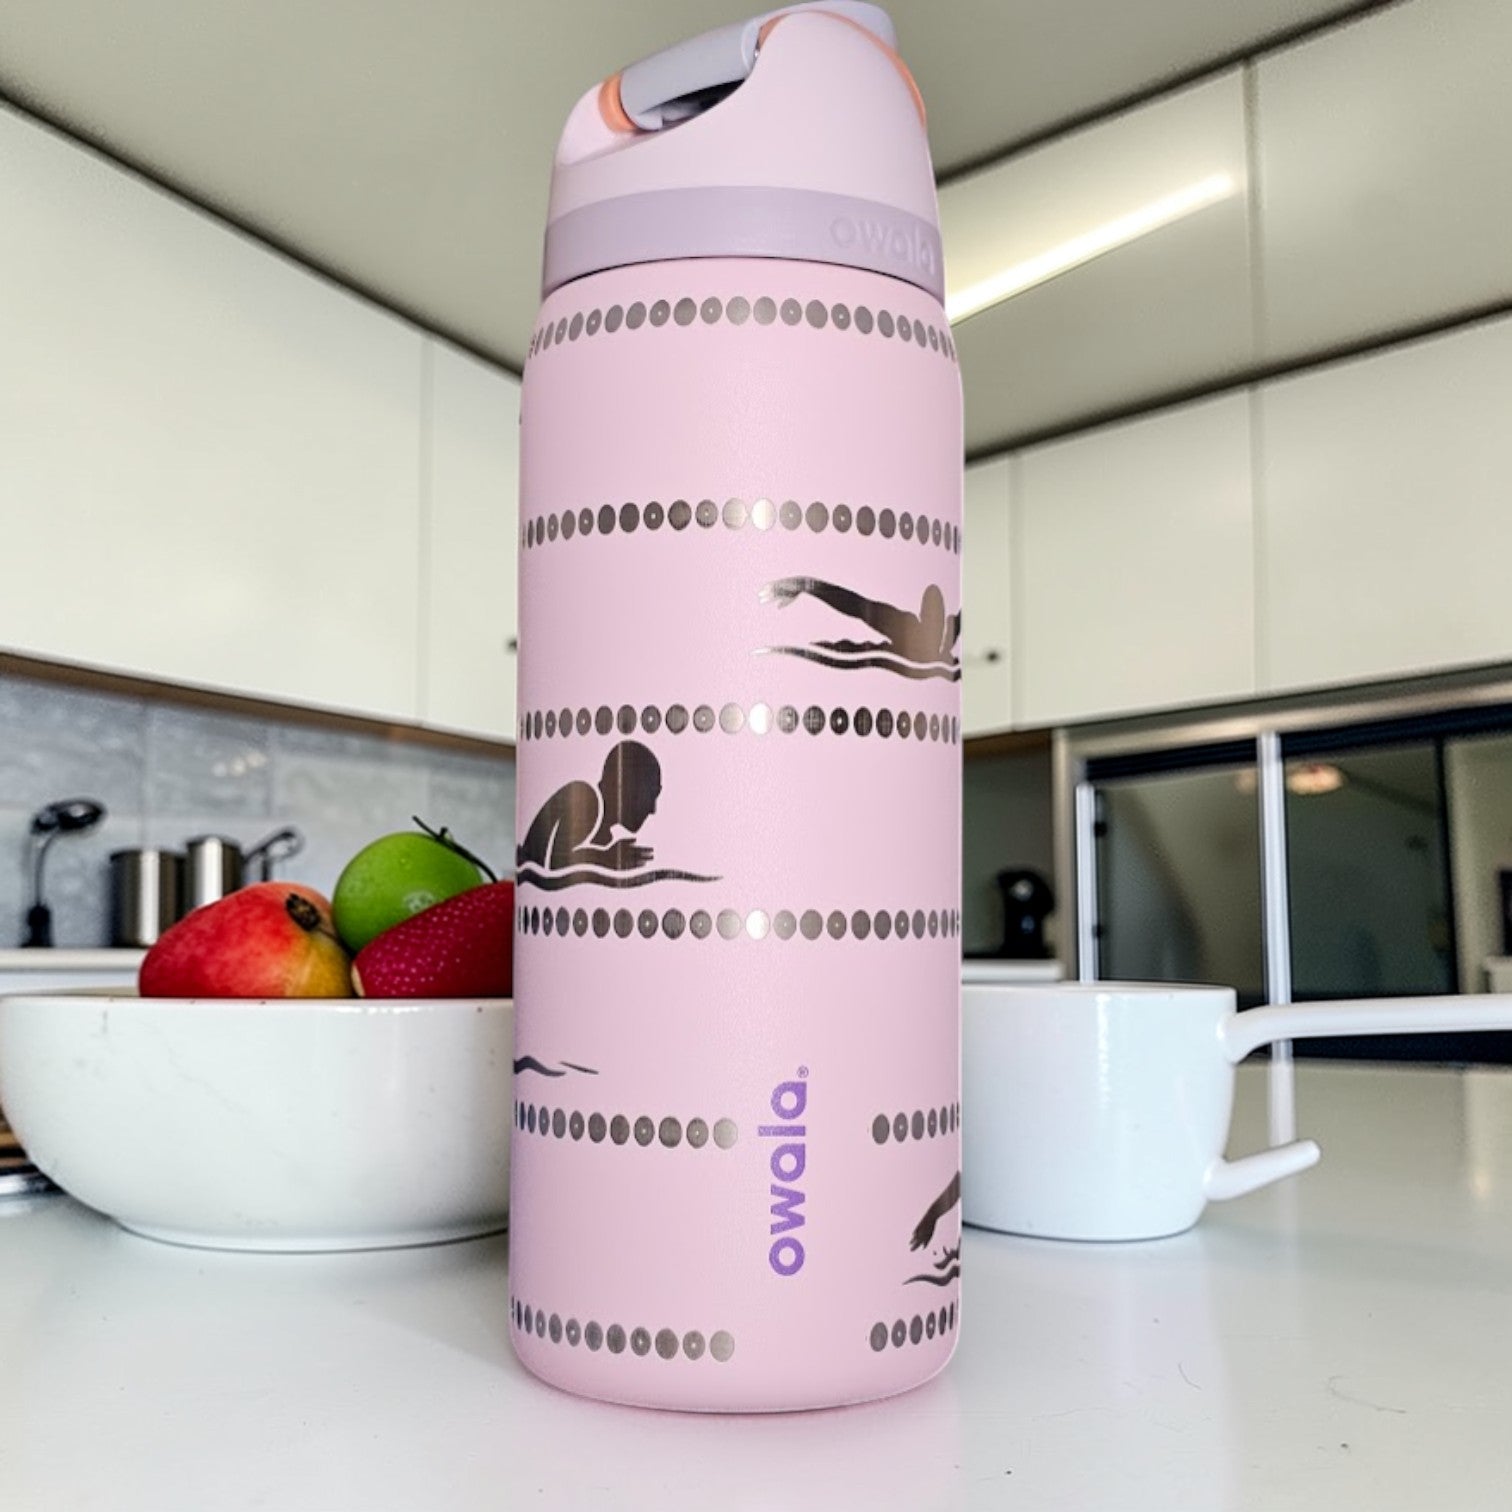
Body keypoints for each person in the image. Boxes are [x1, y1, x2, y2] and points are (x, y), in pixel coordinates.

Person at [516, 740, 662, 873]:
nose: (652, 809)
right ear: (624, 788)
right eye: (650, 796)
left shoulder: (602, 833)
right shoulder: (586, 798)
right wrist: (606, 857)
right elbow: (557, 862)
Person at [759, 577, 960, 666]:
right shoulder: (907, 628)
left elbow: (857, 606)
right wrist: (807, 585)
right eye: (930, 614)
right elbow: (856, 605)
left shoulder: (948, 637)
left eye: (938, 616)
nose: (935, 622)